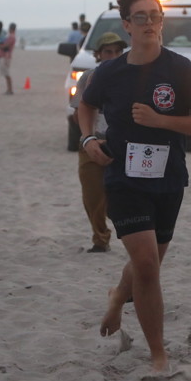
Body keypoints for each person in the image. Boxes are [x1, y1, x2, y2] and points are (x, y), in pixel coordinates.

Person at [78, 0, 191, 374]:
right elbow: (84, 106)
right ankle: (159, 356)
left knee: (149, 264)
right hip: (123, 179)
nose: (150, 24)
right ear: (126, 24)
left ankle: (116, 297)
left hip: (168, 179)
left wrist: (161, 121)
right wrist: (88, 140)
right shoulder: (109, 72)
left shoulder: (180, 69)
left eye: (155, 16)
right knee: (146, 264)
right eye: (140, 17)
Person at [70, 32, 127, 252]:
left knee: (121, 198)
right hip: (91, 143)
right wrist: (89, 136)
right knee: (92, 196)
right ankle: (100, 239)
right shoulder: (88, 78)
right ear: (98, 54)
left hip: (121, 145)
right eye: (108, 52)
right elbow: (78, 113)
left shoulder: (131, 78)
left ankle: (132, 235)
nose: (113, 56)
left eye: (117, 52)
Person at [0, 22, 16, 95]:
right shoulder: (10, 36)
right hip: (4, 56)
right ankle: (9, 89)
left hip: (5, 57)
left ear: (11, 29)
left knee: (7, 73)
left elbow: (5, 46)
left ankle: (10, 90)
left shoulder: (11, 37)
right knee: (5, 74)